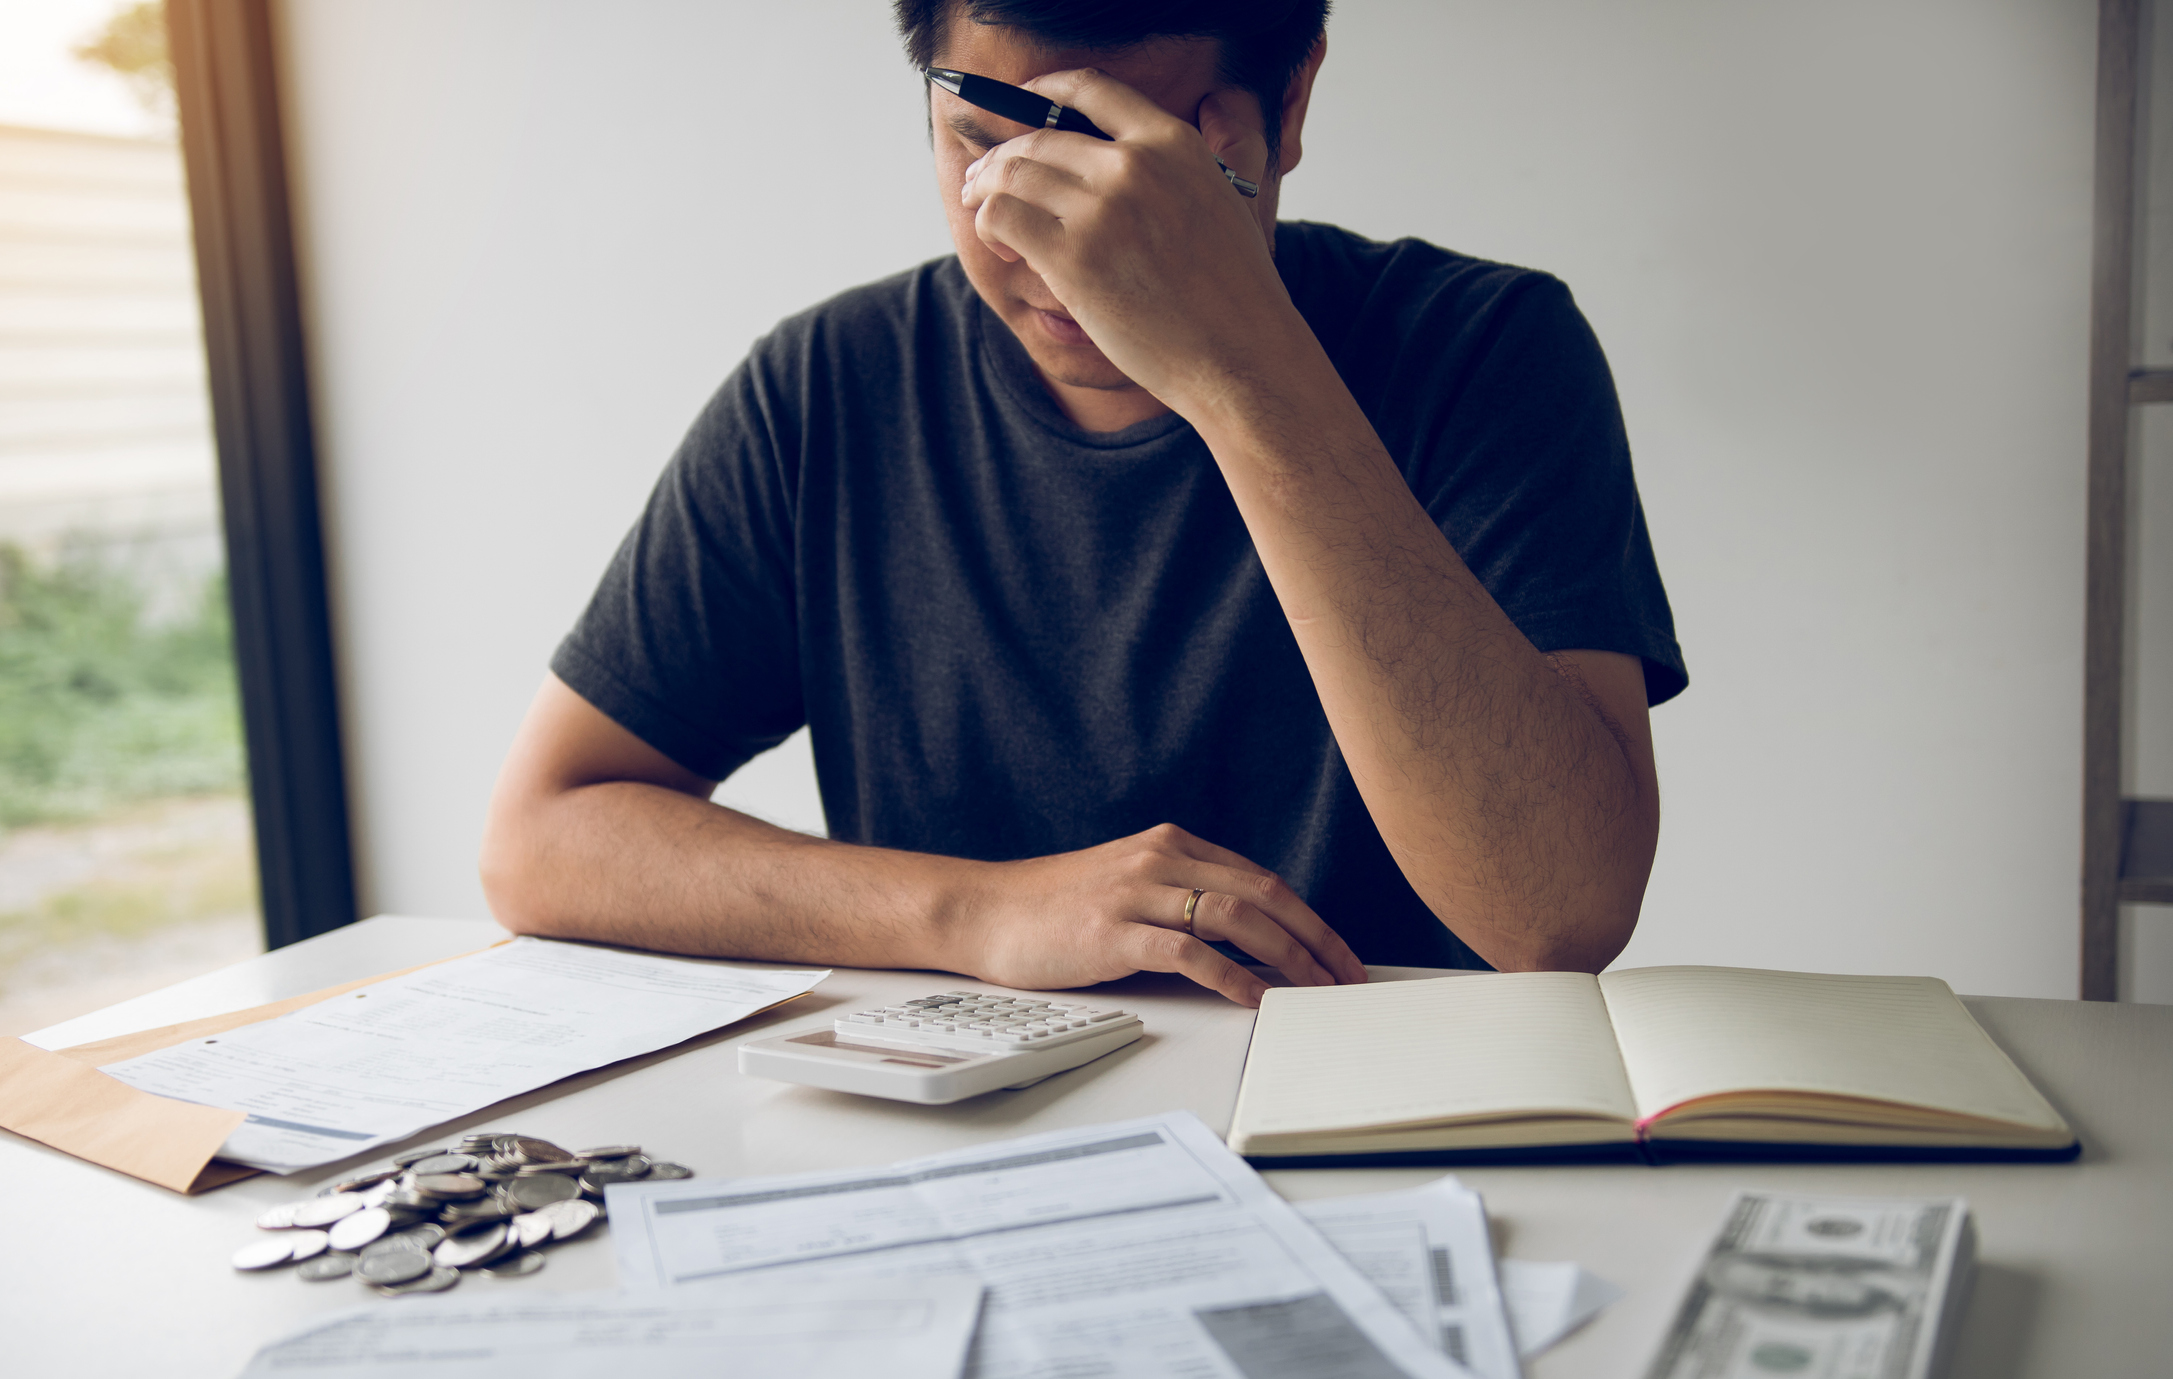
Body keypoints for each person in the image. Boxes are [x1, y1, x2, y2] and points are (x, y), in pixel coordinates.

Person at [479, 0, 1686, 1008]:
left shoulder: (1481, 350)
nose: (1051, 245)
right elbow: (544, 835)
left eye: (1128, 166)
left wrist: (1239, 373)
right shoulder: (826, 389)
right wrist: (979, 910)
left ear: (1289, 105)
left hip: (1390, 1145)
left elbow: (1554, 914)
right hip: (971, 1160)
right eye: (981, 148)